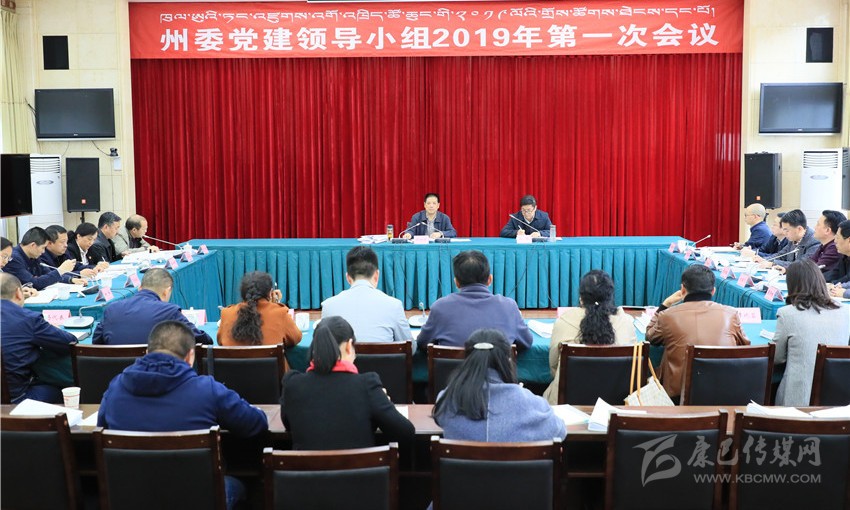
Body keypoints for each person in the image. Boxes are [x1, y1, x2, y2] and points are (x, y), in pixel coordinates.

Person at [97, 320, 267, 510]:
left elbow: (101, 427)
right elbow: (255, 424)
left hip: (131, 498)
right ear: (190, 356)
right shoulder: (208, 390)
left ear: (146, 352)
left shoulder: (116, 387)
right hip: (197, 499)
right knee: (248, 485)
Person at [280, 316, 415, 450]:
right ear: (349, 346)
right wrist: (382, 404)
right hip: (361, 465)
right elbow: (406, 433)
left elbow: (289, 424)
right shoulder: (367, 386)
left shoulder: (292, 385)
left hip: (307, 465)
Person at [434, 329, 566, 442]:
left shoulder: (446, 401)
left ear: (467, 360)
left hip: (464, 465)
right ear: (508, 361)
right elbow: (560, 431)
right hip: (515, 465)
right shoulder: (533, 405)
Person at [646, 264, 749, 399]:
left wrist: (665, 305)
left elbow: (650, 336)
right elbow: (744, 346)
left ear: (683, 289)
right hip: (724, 393)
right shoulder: (731, 314)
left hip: (679, 395)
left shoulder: (667, 315)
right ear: (713, 291)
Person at [542, 270, 637, 404]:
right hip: (618, 404)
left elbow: (554, 367)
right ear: (610, 297)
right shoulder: (626, 322)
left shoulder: (563, 321)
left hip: (568, 406)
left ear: (581, 297)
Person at [416, 250, 532, 352]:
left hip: (452, 371)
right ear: (490, 279)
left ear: (456, 282)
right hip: (497, 370)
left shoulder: (440, 307)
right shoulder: (509, 306)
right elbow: (526, 342)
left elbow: (422, 343)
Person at [773, 259, 850, 407]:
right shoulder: (846, 311)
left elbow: (777, 358)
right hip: (837, 400)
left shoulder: (787, 313)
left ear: (792, 285)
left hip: (796, 401)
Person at [0, 274, 77, 403]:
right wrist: (52, 328)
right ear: (19, 293)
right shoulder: (27, 319)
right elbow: (70, 343)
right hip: (16, 401)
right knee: (65, 389)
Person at [321, 246, 413, 349]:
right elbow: (410, 348)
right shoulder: (394, 305)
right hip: (383, 360)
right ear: (376, 275)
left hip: (345, 359)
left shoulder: (328, 306)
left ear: (348, 278)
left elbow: (323, 348)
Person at [92, 268, 213, 345]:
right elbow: (203, 341)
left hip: (115, 375)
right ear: (167, 291)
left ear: (140, 288)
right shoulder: (169, 312)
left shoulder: (111, 309)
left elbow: (96, 343)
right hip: (156, 375)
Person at [218, 271, 302, 349]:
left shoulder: (227, 313)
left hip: (234, 361)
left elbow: (220, 341)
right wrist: (276, 304)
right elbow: (296, 338)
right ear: (270, 293)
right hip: (270, 360)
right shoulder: (280, 313)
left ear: (242, 293)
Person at [3, 227, 82, 290]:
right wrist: (60, 270)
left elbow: (47, 274)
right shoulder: (14, 258)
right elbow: (33, 283)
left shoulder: (33, 255)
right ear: (33, 245)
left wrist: (70, 279)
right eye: (43, 248)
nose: (44, 251)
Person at [755, 209, 820, 271]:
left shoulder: (814, 242)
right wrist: (764, 260)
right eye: (783, 230)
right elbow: (781, 255)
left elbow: (801, 265)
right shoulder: (793, 239)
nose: (784, 233)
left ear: (799, 229)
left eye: (787, 230)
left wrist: (773, 264)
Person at [809, 210, 846, 275]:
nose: (814, 227)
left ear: (827, 230)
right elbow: (808, 263)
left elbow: (813, 271)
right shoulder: (824, 245)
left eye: (818, 224)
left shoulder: (834, 248)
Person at [828, 220, 850, 295]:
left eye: (837, 237)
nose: (835, 241)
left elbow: (848, 278)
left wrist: (844, 293)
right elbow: (833, 273)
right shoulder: (844, 256)